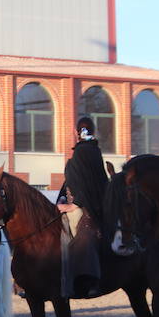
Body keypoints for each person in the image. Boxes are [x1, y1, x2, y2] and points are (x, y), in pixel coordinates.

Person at [56, 117, 108, 299]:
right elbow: (75, 182)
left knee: (80, 237)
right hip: (83, 202)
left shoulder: (82, 153)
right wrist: (61, 199)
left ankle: (82, 280)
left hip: (84, 207)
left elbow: (84, 185)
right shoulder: (92, 151)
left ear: (76, 132)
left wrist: (72, 205)